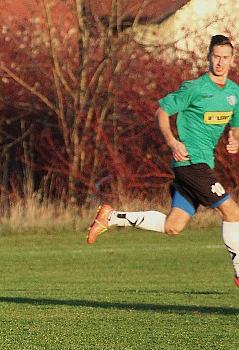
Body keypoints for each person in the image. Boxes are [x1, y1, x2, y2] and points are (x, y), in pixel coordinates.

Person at [88, 34, 239, 284]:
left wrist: (234, 138)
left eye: (225, 58)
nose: (220, 63)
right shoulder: (195, 88)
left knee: (173, 226)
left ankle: (111, 217)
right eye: (216, 57)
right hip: (191, 162)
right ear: (209, 57)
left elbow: (235, 123)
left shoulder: (234, 93)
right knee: (232, 212)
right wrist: (172, 142)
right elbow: (162, 111)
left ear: (232, 60)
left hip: (202, 164)